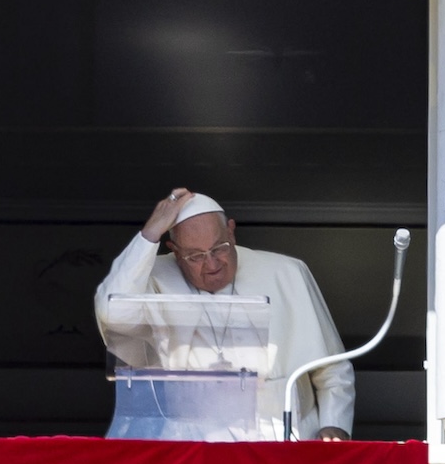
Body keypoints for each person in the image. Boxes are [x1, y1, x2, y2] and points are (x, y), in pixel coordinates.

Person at [94, 188, 354, 441]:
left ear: (231, 230)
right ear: (174, 250)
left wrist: (334, 424)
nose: (212, 264)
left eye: (220, 247)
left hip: (282, 441)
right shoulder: (151, 277)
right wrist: (149, 234)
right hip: (192, 446)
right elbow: (113, 311)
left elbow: (332, 368)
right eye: (195, 256)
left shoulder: (287, 272)